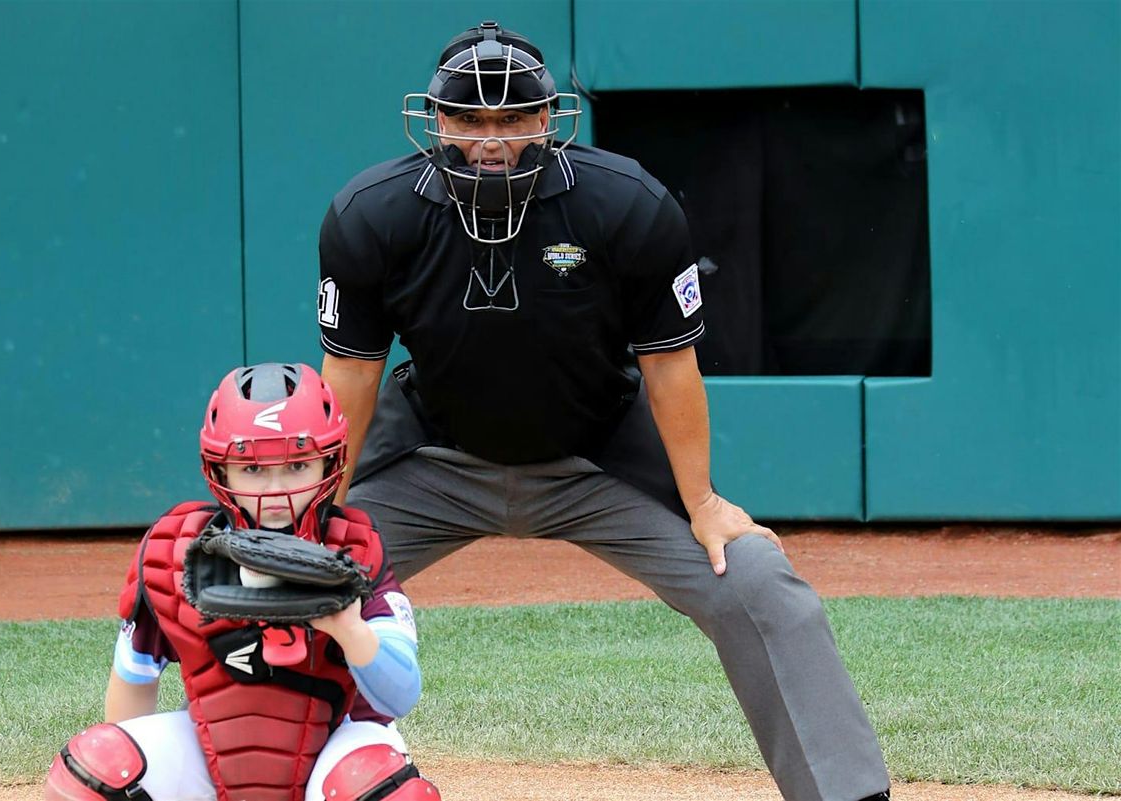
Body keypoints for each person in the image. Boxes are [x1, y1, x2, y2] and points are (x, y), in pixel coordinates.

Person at [316, 19, 891, 801]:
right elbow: (351, 375)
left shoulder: (623, 203)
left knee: (754, 578)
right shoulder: (373, 213)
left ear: (549, 119)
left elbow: (670, 365)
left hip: (597, 457)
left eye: (514, 118)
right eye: (472, 119)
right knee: (289, 577)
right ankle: (251, 778)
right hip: (434, 460)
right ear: (437, 121)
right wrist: (320, 515)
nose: (493, 140)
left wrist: (703, 502)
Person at [44, 363, 439, 801]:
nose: (275, 489)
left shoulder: (356, 551)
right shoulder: (173, 552)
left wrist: (348, 628)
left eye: (297, 465)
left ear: (330, 461)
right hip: (214, 751)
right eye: (252, 469)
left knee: (387, 791)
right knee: (95, 769)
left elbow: (400, 696)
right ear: (220, 471)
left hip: (336, 753)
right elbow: (133, 686)